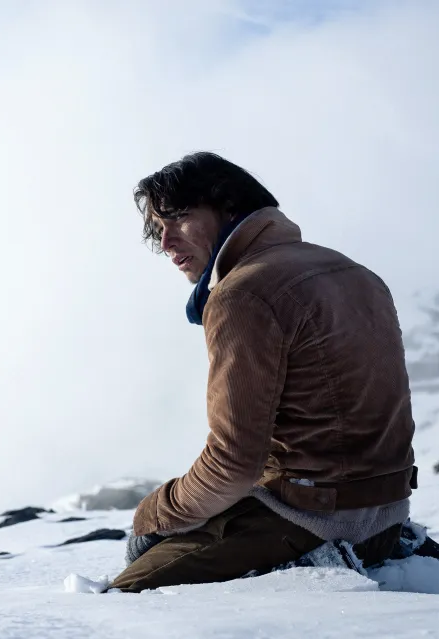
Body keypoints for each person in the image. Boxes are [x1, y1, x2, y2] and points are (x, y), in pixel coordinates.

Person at [110, 152, 418, 592]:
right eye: (159, 229)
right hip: (387, 514)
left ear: (229, 205)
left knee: (124, 596)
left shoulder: (243, 293)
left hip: (312, 518)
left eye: (178, 217)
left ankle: (312, 567)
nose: (167, 242)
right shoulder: (355, 271)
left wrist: (155, 512)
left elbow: (233, 463)